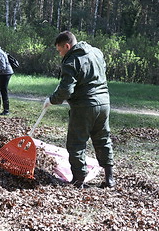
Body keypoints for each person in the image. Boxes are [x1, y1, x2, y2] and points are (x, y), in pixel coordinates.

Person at [43, 31, 115, 188]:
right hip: (104, 104)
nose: (60, 54)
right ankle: (109, 179)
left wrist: (52, 99)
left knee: (76, 143)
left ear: (67, 46)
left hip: (84, 106)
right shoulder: (96, 52)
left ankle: (78, 180)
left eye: (60, 50)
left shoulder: (71, 61)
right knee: (102, 139)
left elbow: (66, 90)